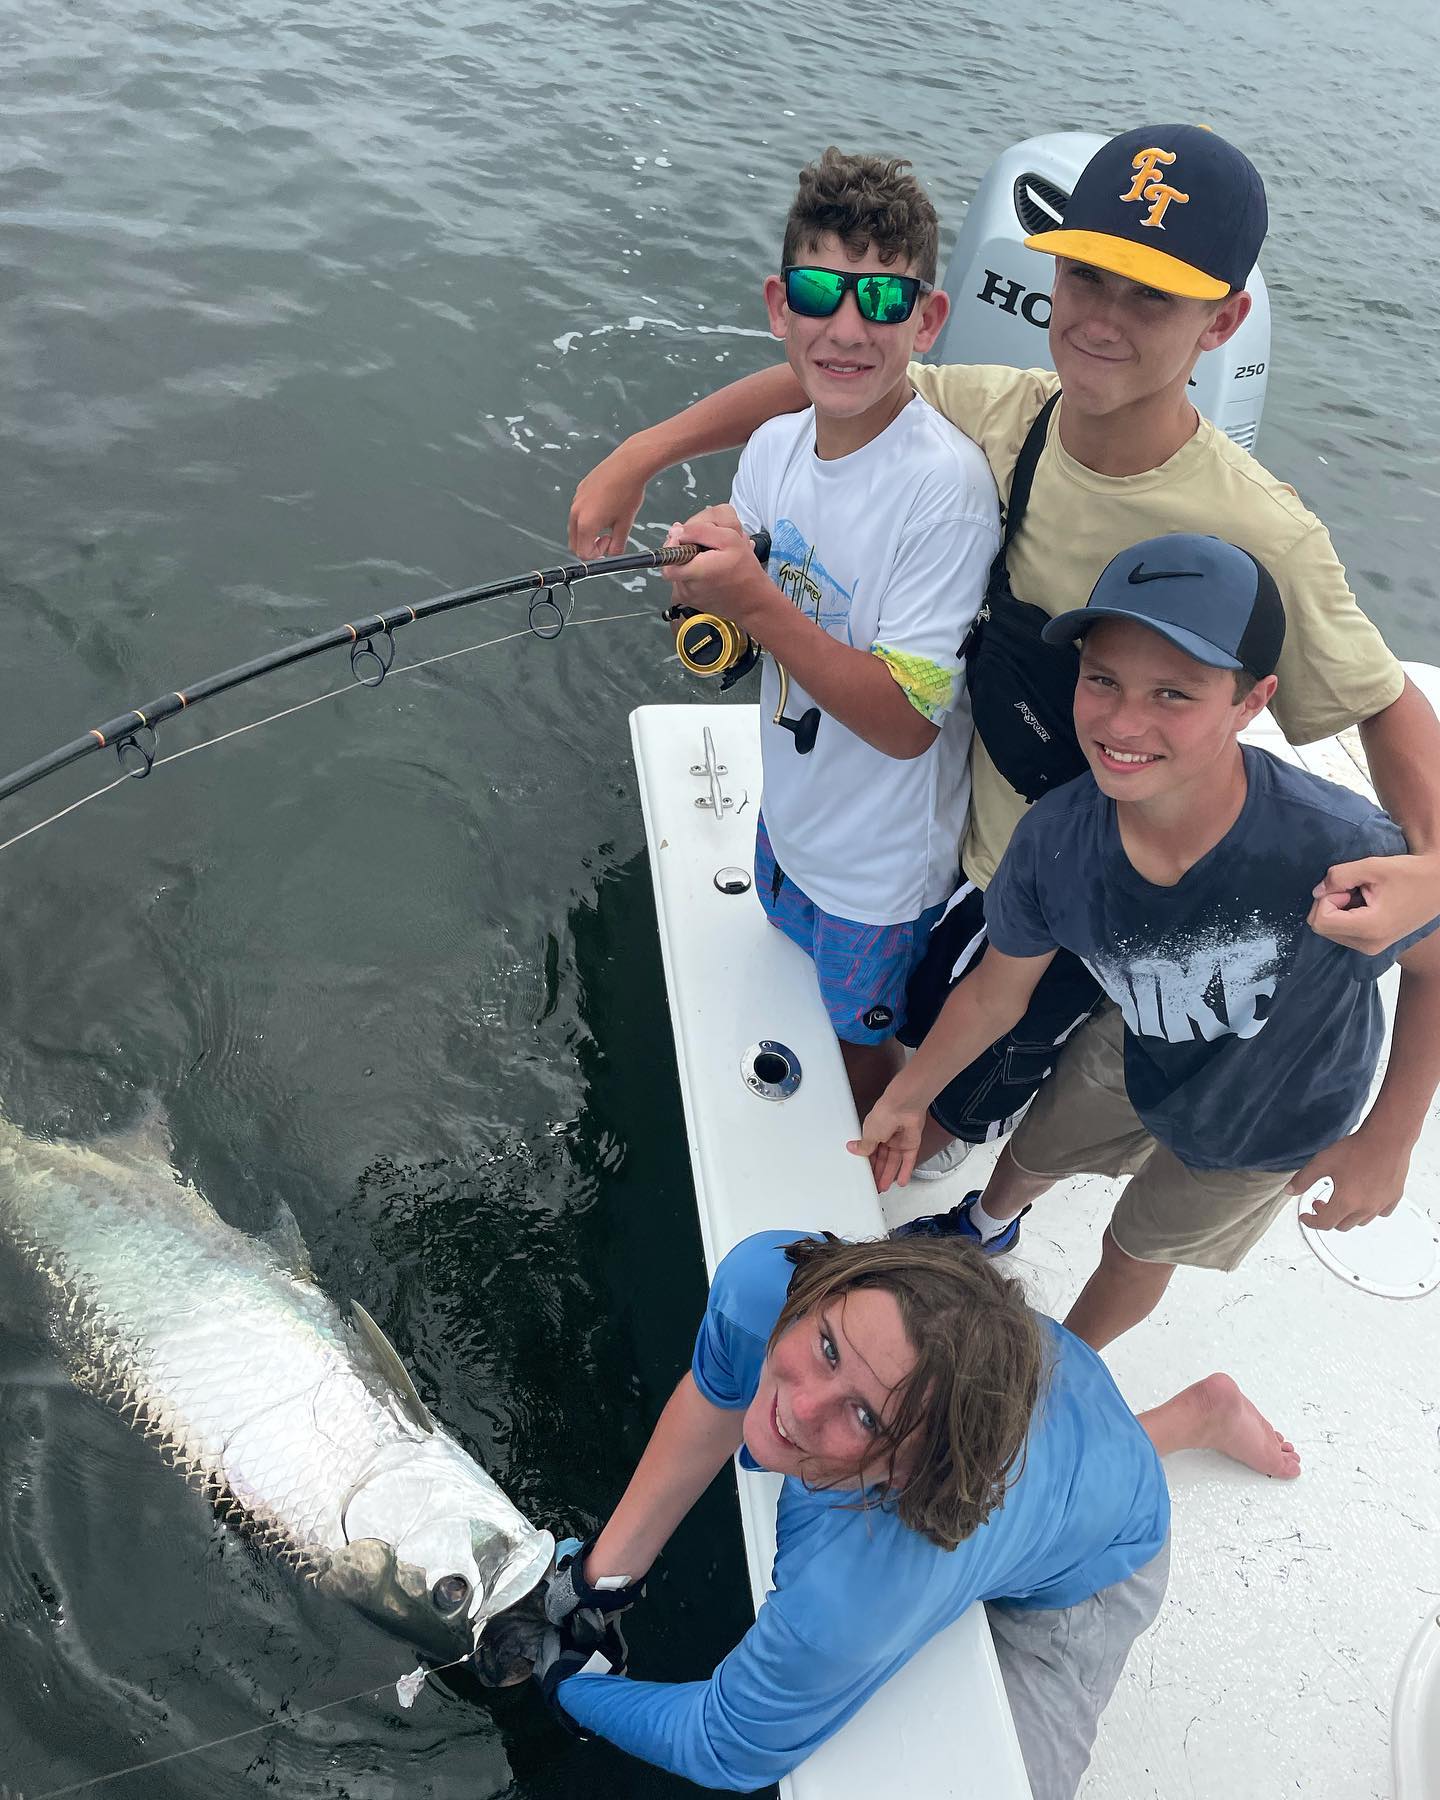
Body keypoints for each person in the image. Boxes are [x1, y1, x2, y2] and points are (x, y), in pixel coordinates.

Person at [569, 122, 1440, 1170]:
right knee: (908, 1016)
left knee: (938, 1106)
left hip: (1076, 888)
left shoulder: (1263, 527)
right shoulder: (1008, 412)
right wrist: (642, 453)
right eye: (1087, 275)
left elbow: (1385, 703)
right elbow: (835, 379)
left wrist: (1434, 875)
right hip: (958, 842)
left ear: (1224, 323)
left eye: (1151, 295)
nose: (1105, 318)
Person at [850, 534, 1440, 1351]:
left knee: (1135, 1246)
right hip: (1138, 1044)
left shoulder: (1332, 847)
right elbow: (996, 990)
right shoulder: (1054, 842)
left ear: (1251, 702)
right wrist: (907, 1096)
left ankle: (1063, 1374)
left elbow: (1435, 963)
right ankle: (987, 1222)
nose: (1124, 722)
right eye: (1103, 679)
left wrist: (1391, 1135)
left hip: (1272, 1116)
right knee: (1041, 1142)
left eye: (1174, 693)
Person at [529, 1227, 1280, 1799]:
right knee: (1048, 1469)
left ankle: (1181, 1431)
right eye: (825, 1345)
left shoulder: (852, 1596)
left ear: (917, 1479)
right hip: (1069, 1403)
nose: (799, 1404)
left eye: (862, 1418)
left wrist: (569, 1686)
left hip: (1100, 1564)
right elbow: (716, 1397)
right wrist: (596, 1583)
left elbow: (722, 1745)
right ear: (825, 1283)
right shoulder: (769, 1280)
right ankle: (1192, 1417)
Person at [651, 146, 999, 1119]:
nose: (848, 328)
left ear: (926, 320)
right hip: (785, 823)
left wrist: (753, 599)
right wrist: (698, 603)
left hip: (878, 881)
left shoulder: (945, 492)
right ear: (779, 306)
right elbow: (731, 647)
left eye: (884, 301)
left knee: (857, 1058)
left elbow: (906, 721)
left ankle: (891, 1163)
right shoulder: (770, 448)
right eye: (820, 291)